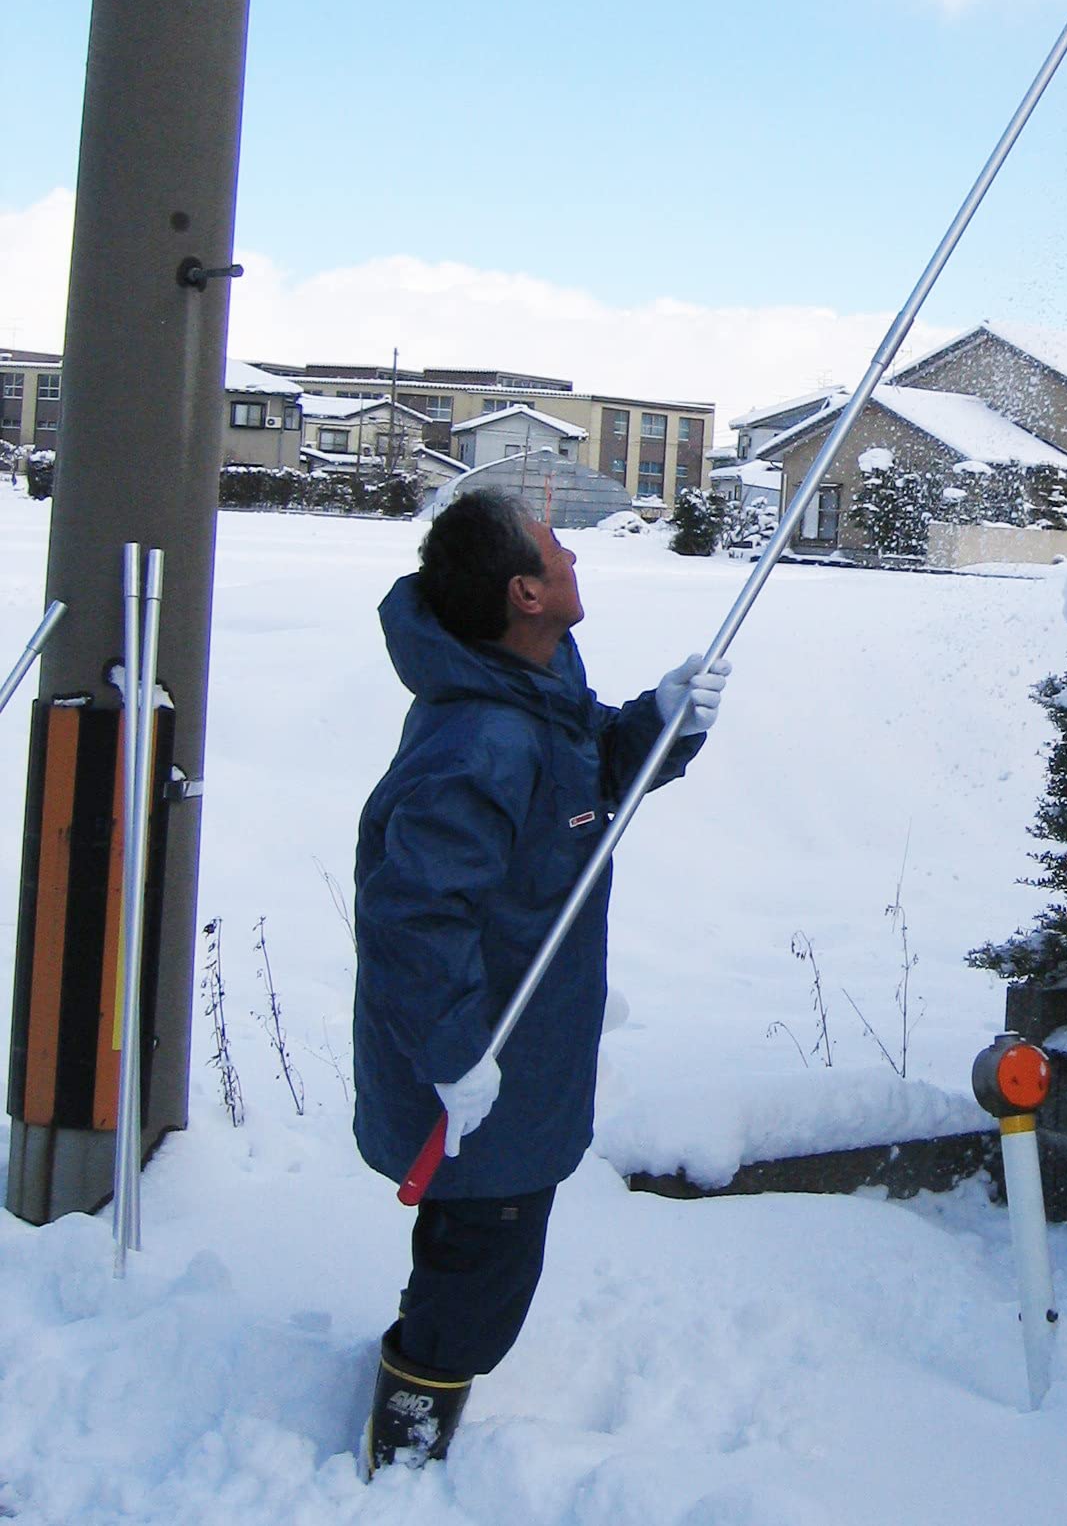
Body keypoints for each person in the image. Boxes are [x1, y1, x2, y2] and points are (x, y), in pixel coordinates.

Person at [350, 488, 729, 1476]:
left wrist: (659, 722)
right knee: (483, 1274)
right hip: (486, 1068)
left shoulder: (532, 684)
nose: (572, 557)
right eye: (556, 547)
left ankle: (425, 1355)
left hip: (524, 1047)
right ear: (526, 593)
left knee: (470, 1243)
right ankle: (405, 1446)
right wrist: (455, 1054)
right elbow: (413, 917)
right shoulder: (480, 742)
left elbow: (583, 778)